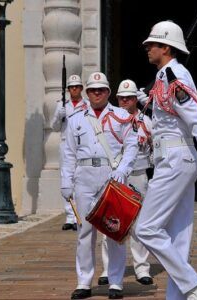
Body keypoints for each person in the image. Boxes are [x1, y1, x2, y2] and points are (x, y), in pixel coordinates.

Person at [134, 20, 197, 300]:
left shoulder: (173, 75)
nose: (147, 47)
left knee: (147, 229)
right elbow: (171, 120)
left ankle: (194, 286)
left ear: (166, 47)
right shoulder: (168, 75)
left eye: (152, 43)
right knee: (178, 239)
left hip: (175, 160)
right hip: (176, 158)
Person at [60, 71, 138, 299]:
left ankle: (115, 282)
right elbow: (68, 154)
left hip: (110, 176)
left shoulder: (121, 115)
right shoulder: (75, 119)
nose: (97, 93)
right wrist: (66, 182)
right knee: (85, 232)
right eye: (93, 90)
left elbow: (132, 145)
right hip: (84, 176)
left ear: (108, 92)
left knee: (114, 230)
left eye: (101, 90)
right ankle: (84, 282)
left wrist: (123, 170)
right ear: (87, 92)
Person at [98, 79, 154, 286]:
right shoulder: (109, 119)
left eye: (129, 98)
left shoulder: (146, 122)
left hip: (138, 173)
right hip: (115, 175)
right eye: (121, 98)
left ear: (135, 100)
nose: (124, 101)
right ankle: (107, 269)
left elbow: (154, 147)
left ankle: (142, 268)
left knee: (139, 224)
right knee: (109, 222)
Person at [51, 74, 87, 231]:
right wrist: (59, 116)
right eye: (72, 87)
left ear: (81, 88)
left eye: (77, 87)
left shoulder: (87, 104)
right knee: (66, 179)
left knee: (81, 179)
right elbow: (54, 127)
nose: (74, 89)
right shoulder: (62, 105)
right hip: (66, 144)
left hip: (81, 145)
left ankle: (79, 214)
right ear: (68, 90)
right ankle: (70, 216)